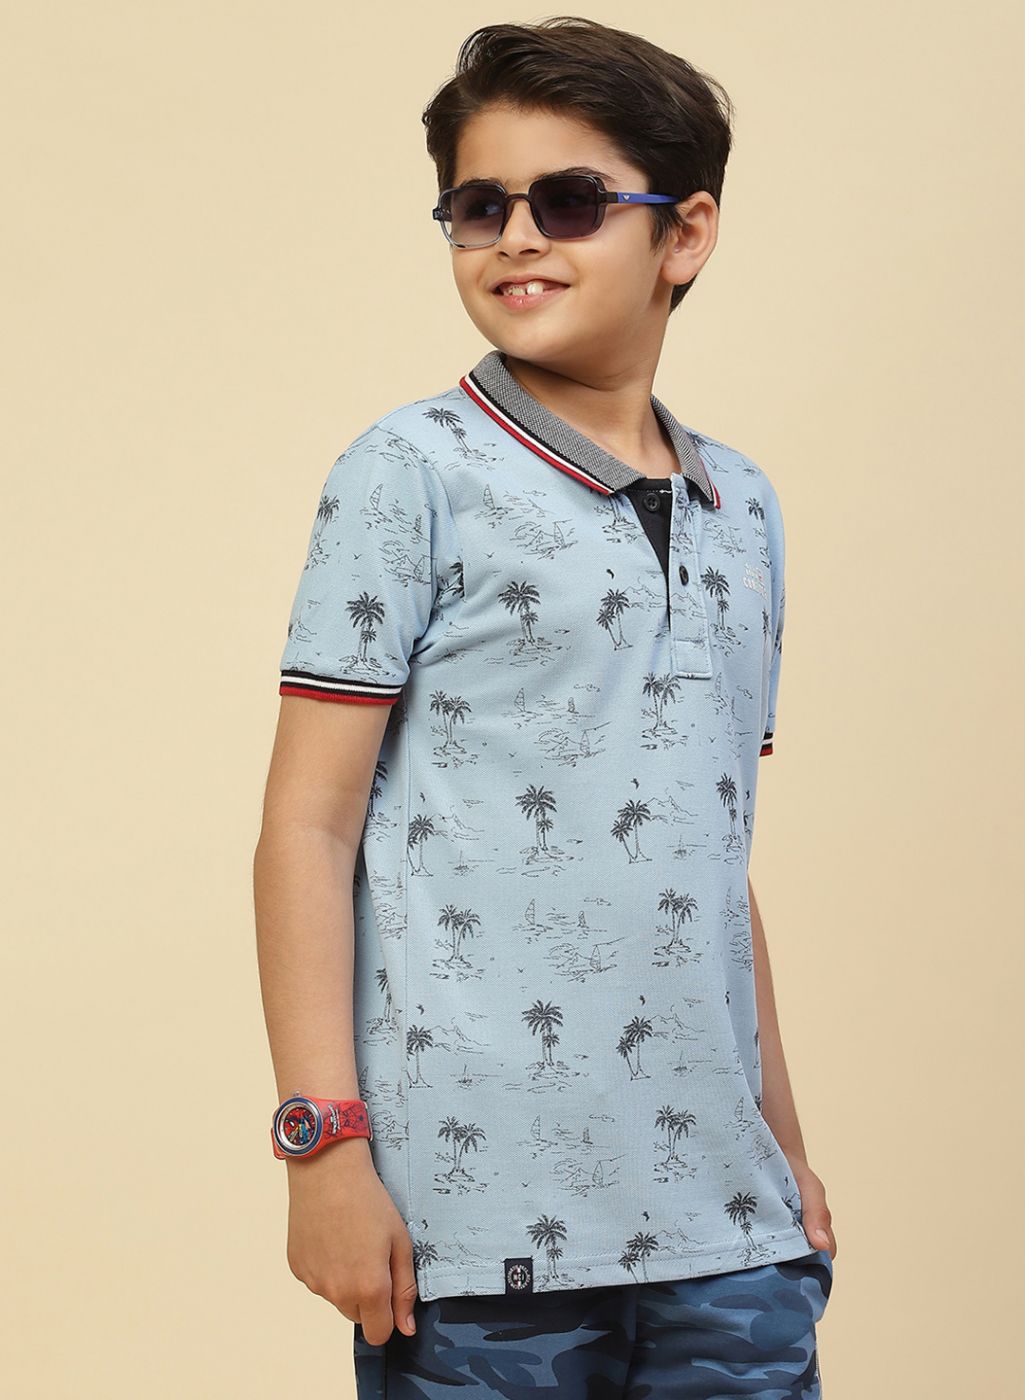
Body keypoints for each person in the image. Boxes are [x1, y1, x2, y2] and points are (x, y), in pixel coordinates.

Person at [254, 16, 837, 1398]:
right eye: (479, 206)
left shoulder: (744, 508)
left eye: (569, 201)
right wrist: (321, 1151)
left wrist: (785, 1152)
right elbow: (307, 830)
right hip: (476, 1244)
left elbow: (709, 851)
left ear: (684, 233)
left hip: (728, 1233)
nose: (516, 236)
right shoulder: (409, 474)